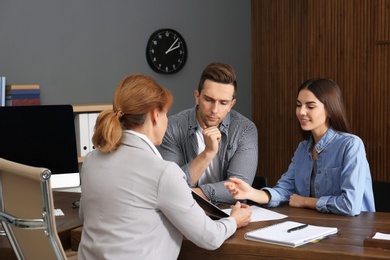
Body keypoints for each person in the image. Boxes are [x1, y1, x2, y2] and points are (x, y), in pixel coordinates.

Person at [77, 74, 252, 260]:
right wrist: (234, 220)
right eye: (166, 114)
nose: (167, 121)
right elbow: (210, 237)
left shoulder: (91, 160)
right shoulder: (163, 172)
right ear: (155, 115)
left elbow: (86, 216)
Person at [225, 78, 375, 216]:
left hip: (355, 232)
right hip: (318, 228)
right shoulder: (303, 149)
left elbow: (350, 205)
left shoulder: (351, 145)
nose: (301, 112)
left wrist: (304, 201)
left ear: (329, 109)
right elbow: (285, 190)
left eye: (310, 106)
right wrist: (251, 193)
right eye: (298, 105)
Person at [157, 62, 258, 205]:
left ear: (231, 104)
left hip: (229, 211)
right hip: (184, 211)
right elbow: (169, 185)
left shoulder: (245, 130)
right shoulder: (173, 126)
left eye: (223, 103)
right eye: (209, 100)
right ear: (197, 97)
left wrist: (191, 193)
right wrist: (208, 152)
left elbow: (239, 189)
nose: (214, 110)